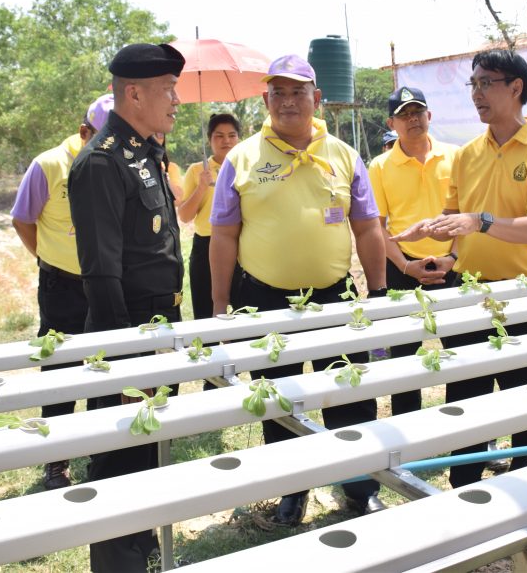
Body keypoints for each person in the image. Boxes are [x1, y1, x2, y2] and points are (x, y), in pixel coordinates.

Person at [209, 54, 388, 525]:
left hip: (334, 298)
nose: (288, 101)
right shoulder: (241, 158)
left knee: (350, 393)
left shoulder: (344, 155)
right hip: (264, 300)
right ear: (266, 100)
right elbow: (223, 235)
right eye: (279, 93)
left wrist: (379, 292)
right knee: (279, 401)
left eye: (298, 92)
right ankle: (292, 491)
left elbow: (368, 227)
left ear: (317, 98)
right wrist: (220, 307)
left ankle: (360, 488)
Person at [392, 49, 527, 488]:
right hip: (469, 293)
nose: (476, 93)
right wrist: (436, 237)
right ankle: (463, 488)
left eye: (486, 83)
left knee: (525, 403)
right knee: (466, 400)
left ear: (516, 87)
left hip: (524, 297)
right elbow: (458, 221)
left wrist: (480, 221)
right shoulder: (468, 155)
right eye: (473, 84)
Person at [68, 43, 186, 573]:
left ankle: (143, 549)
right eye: (168, 90)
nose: (177, 100)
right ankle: (120, 561)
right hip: (128, 336)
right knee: (120, 462)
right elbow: (101, 272)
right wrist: (123, 362)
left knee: (149, 453)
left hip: (158, 330)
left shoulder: (146, 152)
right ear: (134, 94)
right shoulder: (102, 161)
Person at [11, 93, 110, 490]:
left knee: (103, 367)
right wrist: (48, 256)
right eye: (102, 137)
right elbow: (22, 219)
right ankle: (56, 460)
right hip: (62, 286)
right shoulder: (49, 164)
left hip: (107, 284)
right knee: (60, 372)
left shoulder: (118, 163)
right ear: (84, 131)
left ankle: (100, 451)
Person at [368, 86, 458, 416]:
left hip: (452, 268)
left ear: (429, 115)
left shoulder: (455, 156)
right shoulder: (380, 167)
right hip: (402, 268)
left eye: (417, 112)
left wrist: (453, 258)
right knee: (404, 360)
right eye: (403, 115)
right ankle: (407, 431)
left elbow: (468, 214)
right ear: (391, 124)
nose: (412, 119)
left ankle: (469, 430)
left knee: (462, 353)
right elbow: (377, 225)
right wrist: (405, 266)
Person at [178, 113, 241, 320]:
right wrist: (202, 187)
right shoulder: (198, 170)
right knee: (205, 311)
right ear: (209, 140)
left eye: (232, 135)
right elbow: (185, 216)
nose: (226, 141)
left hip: (241, 245)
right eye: (219, 136)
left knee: (243, 309)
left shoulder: (246, 168)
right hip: (206, 245)